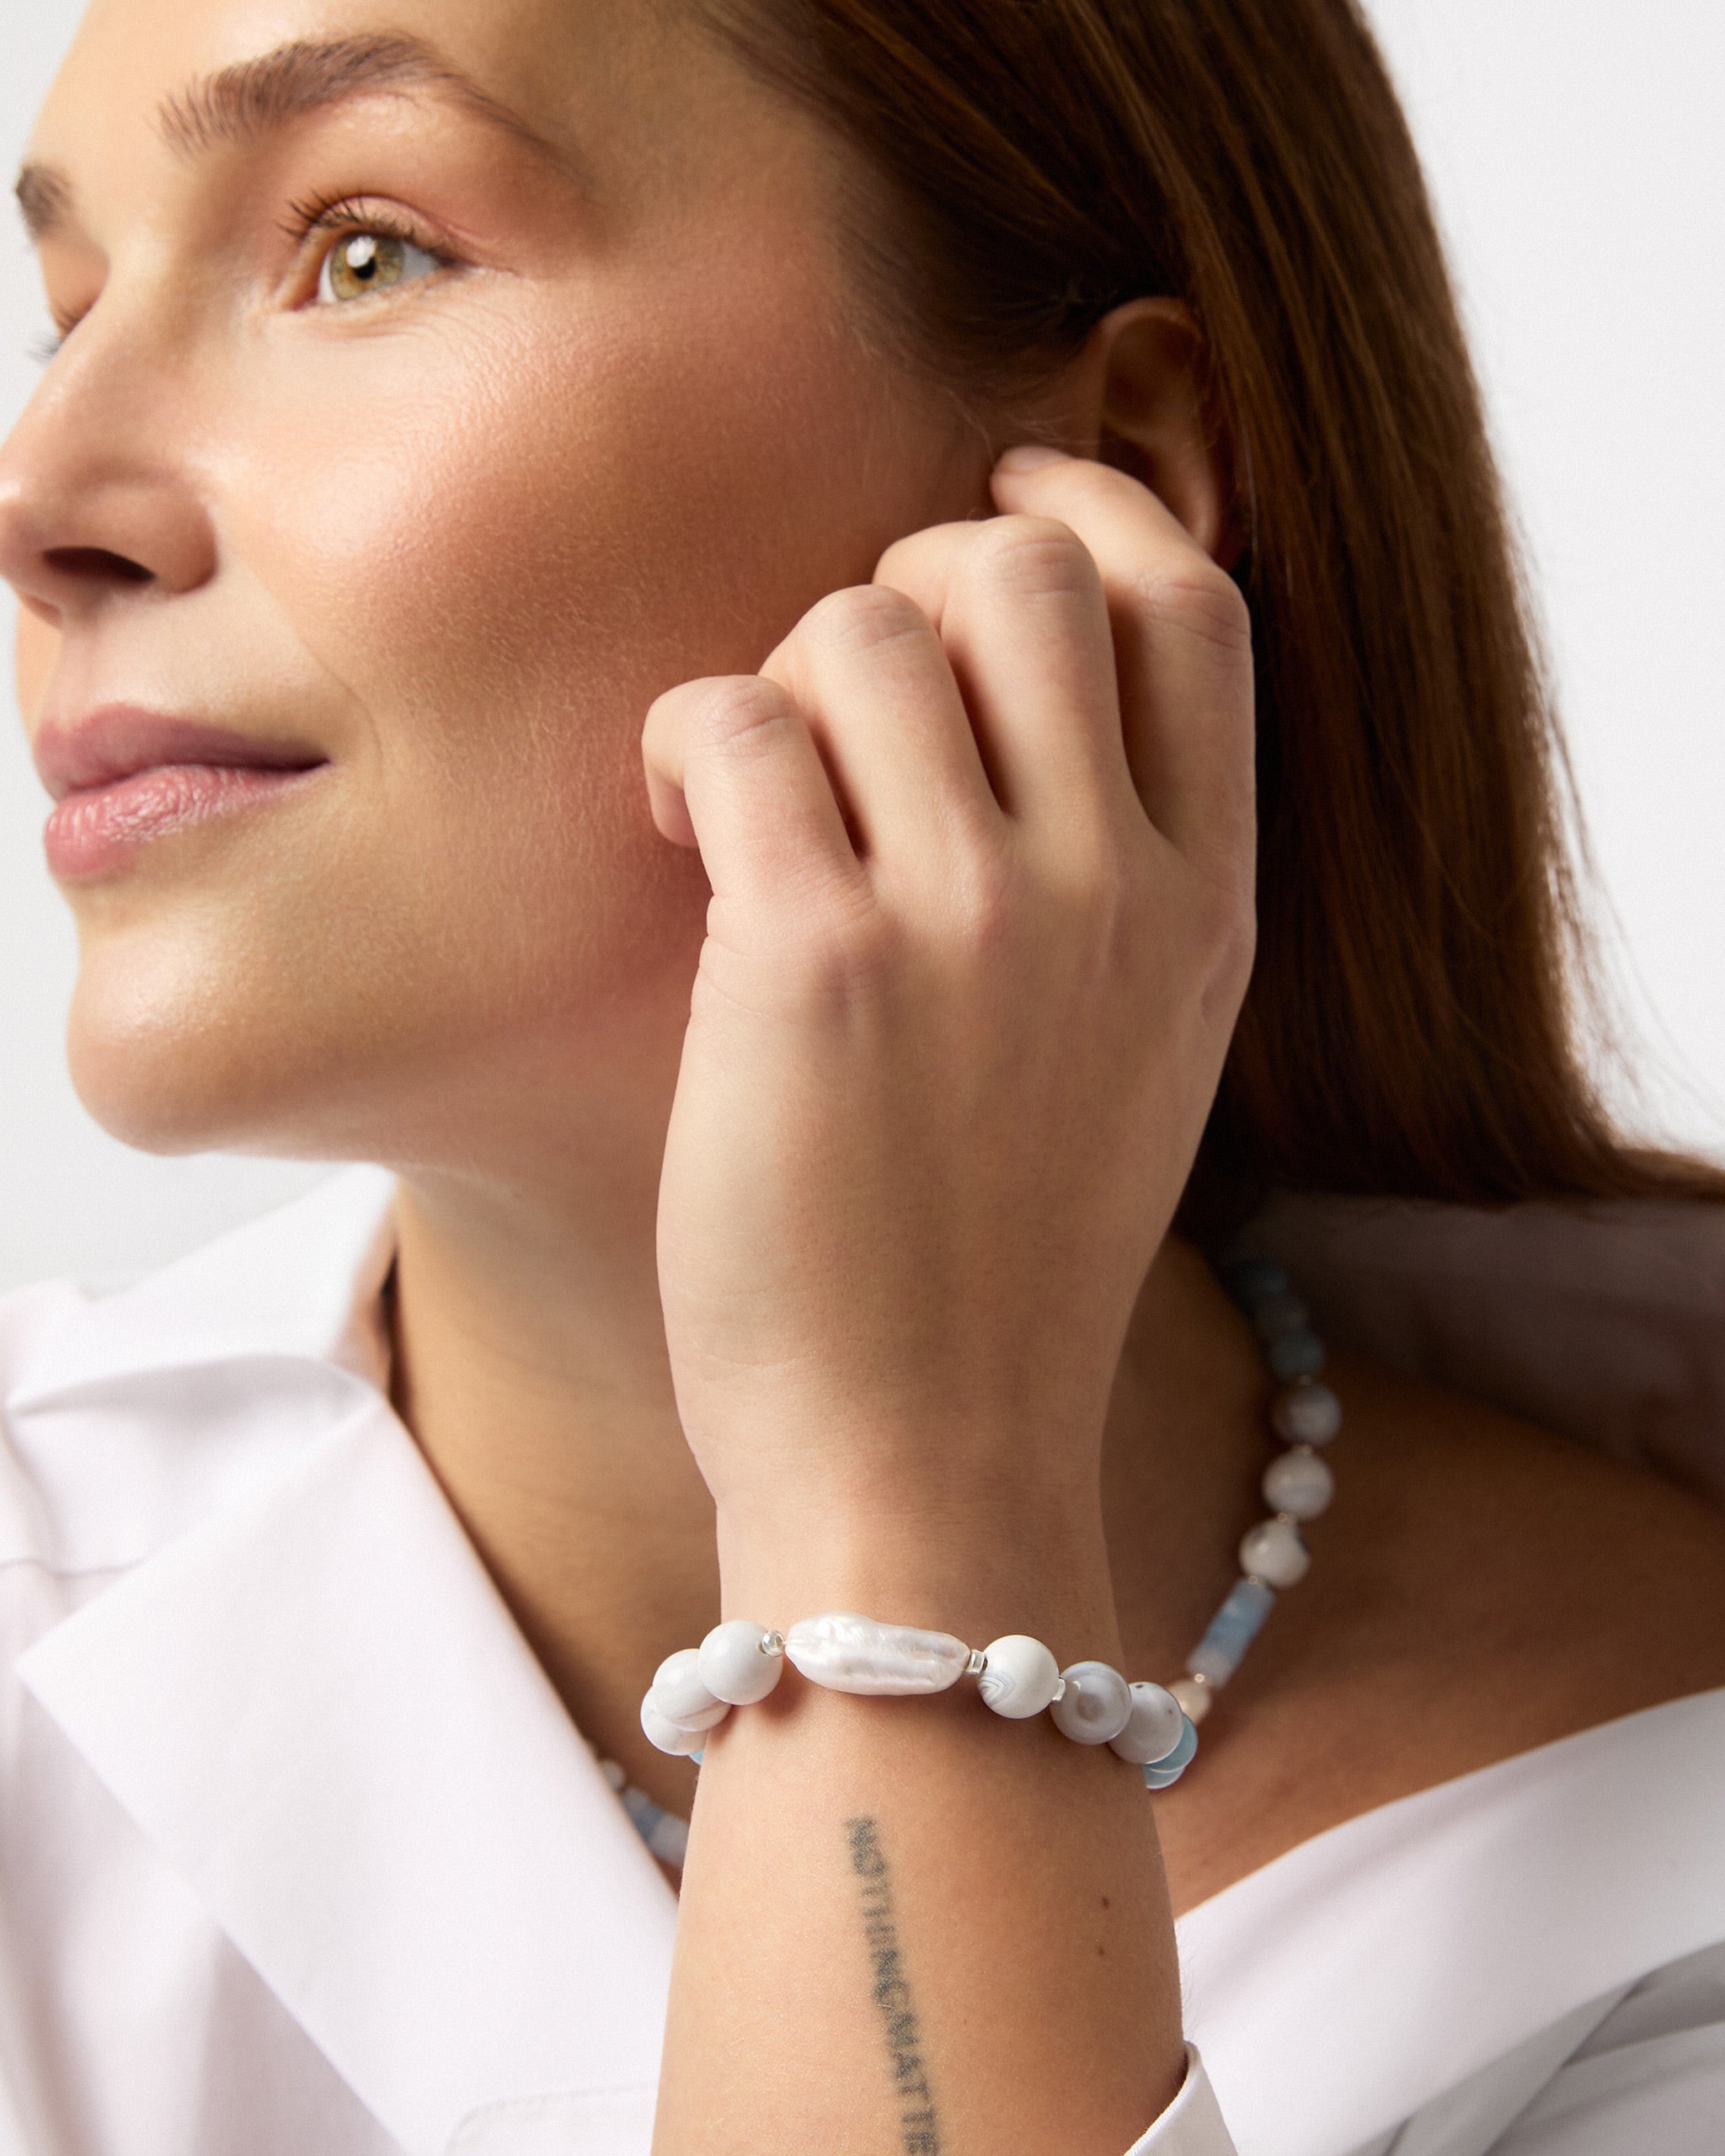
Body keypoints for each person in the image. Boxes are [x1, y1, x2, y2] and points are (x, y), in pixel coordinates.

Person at [1, 0, 1722, 2150]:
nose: (43, 497)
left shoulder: (1666, 1862)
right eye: (63, 308)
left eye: (362, 250)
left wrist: (900, 1496)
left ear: (1102, 477)